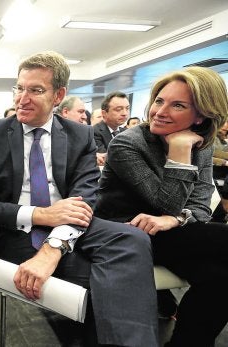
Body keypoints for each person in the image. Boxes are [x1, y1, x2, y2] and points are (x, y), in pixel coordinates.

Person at [0, 51, 158, 346]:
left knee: (133, 239)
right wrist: (40, 215)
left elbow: (85, 197)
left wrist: (53, 248)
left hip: (72, 221)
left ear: (58, 95)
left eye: (36, 90)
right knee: (108, 284)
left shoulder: (79, 135)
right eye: (19, 88)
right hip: (16, 229)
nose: (22, 98)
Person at [95, 66, 228, 347]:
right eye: (159, 101)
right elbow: (165, 203)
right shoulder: (127, 144)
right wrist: (180, 153)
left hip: (171, 234)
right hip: (126, 233)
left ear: (201, 115)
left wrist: (176, 220)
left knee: (220, 279)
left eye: (177, 105)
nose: (160, 111)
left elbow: (202, 205)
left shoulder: (200, 144)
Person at [93, 92, 130, 166]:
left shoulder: (127, 133)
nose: (125, 113)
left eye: (127, 108)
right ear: (104, 113)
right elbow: (105, 158)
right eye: (119, 109)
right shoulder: (94, 131)